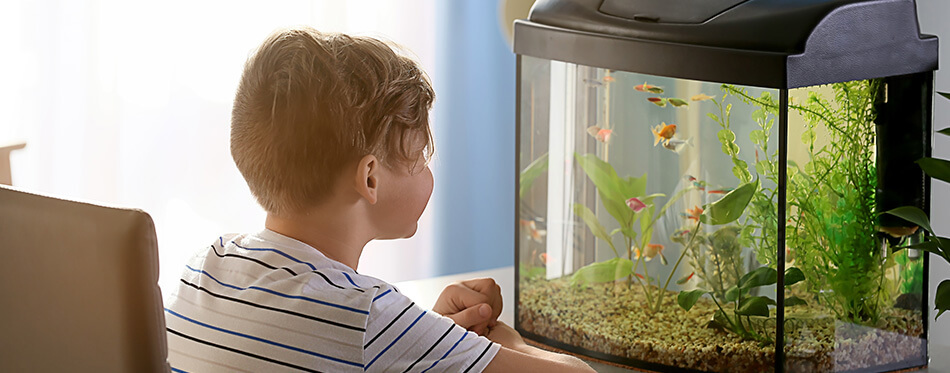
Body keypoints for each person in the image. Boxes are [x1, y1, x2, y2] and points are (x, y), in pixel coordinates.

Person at [163, 26, 594, 373]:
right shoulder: (367, 316)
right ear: (370, 178)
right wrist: (504, 341)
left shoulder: (204, 267)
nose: (427, 169)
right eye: (421, 155)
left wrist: (434, 335)